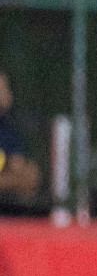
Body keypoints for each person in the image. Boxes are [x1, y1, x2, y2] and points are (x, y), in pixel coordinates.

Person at [0, 71, 41, 205]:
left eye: (6, 88)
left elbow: (19, 168)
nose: (8, 94)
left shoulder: (7, 129)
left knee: (31, 172)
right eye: (3, 88)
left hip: (7, 200)